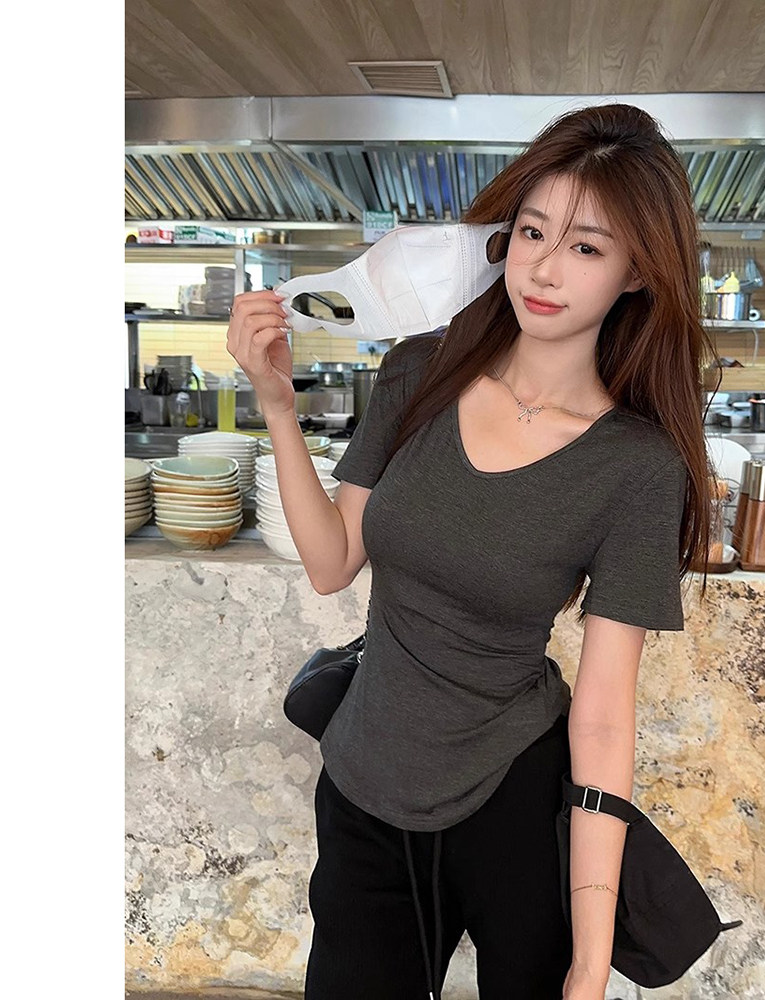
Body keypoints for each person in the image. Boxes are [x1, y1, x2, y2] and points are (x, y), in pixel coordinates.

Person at [226, 103, 715, 1000]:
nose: (544, 267)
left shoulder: (637, 467)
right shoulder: (420, 370)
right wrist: (277, 406)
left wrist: (589, 960)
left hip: (513, 800)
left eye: (586, 247)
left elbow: (604, 719)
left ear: (638, 272)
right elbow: (334, 561)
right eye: (532, 231)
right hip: (365, 781)